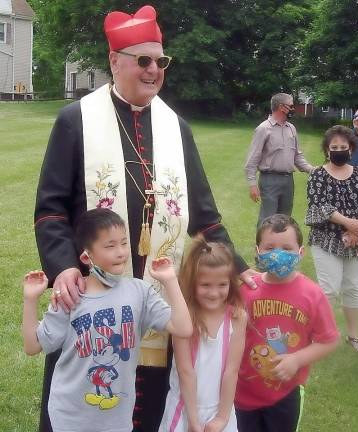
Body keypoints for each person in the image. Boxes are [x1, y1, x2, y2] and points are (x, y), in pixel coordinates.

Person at [34, 5, 254, 432]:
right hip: (91, 293)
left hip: (154, 295)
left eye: (161, 61)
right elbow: (51, 210)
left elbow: (206, 220)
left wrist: (243, 272)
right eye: (143, 60)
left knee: (145, 404)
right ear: (115, 62)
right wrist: (62, 269)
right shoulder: (74, 121)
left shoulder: (177, 128)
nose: (154, 70)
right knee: (80, 398)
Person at [23, 208, 192, 432]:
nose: (121, 252)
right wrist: (30, 299)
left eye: (123, 243)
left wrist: (170, 281)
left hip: (117, 420)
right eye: (110, 246)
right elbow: (33, 346)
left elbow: (183, 328)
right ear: (86, 256)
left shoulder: (140, 292)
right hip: (70, 417)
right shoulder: (71, 296)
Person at [235, 214, 339, 432]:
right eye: (270, 247)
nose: (278, 254)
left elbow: (328, 340)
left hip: (285, 394)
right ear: (257, 251)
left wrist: (297, 359)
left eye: (287, 248)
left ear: (301, 253)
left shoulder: (312, 294)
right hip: (241, 392)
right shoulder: (246, 290)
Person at [159, 237, 247, 432]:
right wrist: (193, 420)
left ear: (231, 283)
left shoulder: (237, 317)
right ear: (193, 283)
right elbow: (185, 371)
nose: (214, 293)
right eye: (205, 285)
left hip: (221, 409)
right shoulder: (184, 317)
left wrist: (222, 418)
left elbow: (231, 371)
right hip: (185, 409)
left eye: (222, 285)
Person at [305, 125, 358, 354]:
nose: (338, 150)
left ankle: (353, 336)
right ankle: (320, 336)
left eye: (343, 147)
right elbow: (320, 207)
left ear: (351, 149)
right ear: (327, 150)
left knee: (353, 288)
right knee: (328, 289)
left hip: (357, 239)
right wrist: (349, 223)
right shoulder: (318, 175)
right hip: (326, 239)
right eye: (334, 147)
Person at [244, 93, 313, 227]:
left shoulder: (291, 128)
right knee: (267, 220)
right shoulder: (263, 129)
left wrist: (313, 170)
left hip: (288, 181)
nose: (294, 109)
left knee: (285, 221)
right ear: (282, 107)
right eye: (292, 106)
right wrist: (252, 184)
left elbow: (297, 156)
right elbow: (252, 159)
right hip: (269, 180)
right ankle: (263, 247)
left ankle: (281, 247)